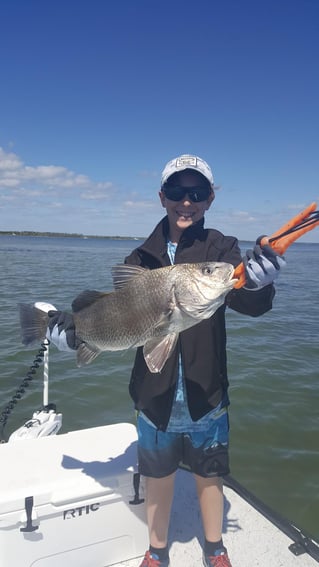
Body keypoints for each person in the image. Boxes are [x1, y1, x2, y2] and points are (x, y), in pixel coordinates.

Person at [46, 154, 286, 567]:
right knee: (157, 477)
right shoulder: (140, 258)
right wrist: (73, 335)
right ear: (162, 198)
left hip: (206, 392)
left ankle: (216, 548)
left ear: (210, 199)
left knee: (210, 474)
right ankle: (157, 550)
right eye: (177, 192)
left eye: (197, 192)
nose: (186, 201)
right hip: (153, 396)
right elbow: (112, 316)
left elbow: (248, 301)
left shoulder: (222, 249)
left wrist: (260, 283)